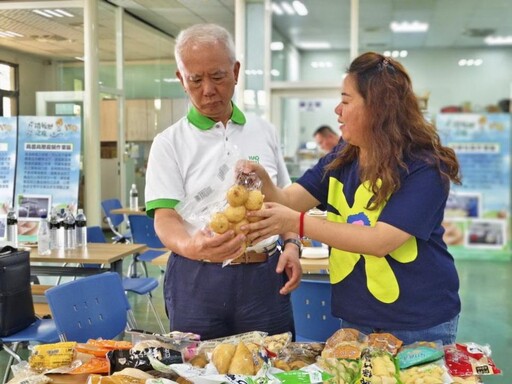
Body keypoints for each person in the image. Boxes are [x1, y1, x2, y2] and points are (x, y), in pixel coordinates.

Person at [242, 51, 462, 346]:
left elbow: (379, 241)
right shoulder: (343, 156)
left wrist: (296, 223)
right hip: (356, 316)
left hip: (417, 321)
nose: (337, 110)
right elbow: (288, 199)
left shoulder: (423, 168)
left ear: (378, 109)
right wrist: (261, 180)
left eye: (346, 101)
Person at [144, 23, 302, 340]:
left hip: (264, 274)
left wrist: (293, 245)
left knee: (273, 366)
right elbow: (165, 217)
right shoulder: (169, 142)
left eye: (217, 77)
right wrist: (192, 245)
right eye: (195, 79)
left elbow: (284, 201)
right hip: (197, 278)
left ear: (236, 71)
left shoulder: (264, 131)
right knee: (198, 371)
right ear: (180, 79)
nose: (207, 89)